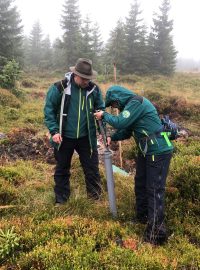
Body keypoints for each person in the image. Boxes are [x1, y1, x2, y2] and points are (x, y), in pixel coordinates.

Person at [94, 85, 174, 245]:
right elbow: (127, 130)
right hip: (146, 151)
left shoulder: (136, 102)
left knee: (154, 189)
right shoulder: (131, 106)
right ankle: (143, 218)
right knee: (140, 184)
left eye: (115, 104)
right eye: (113, 106)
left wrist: (104, 115)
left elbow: (120, 122)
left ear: (119, 98)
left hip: (158, 151)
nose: (116, 108)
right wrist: (112, 138)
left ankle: (156, 234)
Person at [44, 58, 105, 205]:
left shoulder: (94, 89)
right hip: (64, 137)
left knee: (92, 169)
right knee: (62, 169)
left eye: (88, 78)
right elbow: (49, 110)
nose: (86, 81)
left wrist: (103, 132)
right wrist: (54, 131)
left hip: (86, 137)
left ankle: (94, 199)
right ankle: (61, 200)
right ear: (75, 74)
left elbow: (100, 110)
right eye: (84, 78)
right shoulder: (60, 87)